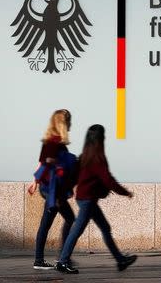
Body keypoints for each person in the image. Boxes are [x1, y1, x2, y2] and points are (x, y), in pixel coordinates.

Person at [56, 124, 137, 274]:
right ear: (100, 139)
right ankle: (63, 261)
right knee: (77, 230)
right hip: (87, 201)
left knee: (105, 228)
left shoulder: (85, 156)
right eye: (104, 136)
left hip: (86, 199)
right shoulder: (97, 158)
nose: (105, 138)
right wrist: (125, 192)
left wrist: (62, 193)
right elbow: (108, 180)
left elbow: (75, 178)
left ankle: (120, 260)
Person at [27, 109, 77, 270]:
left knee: (46, 223)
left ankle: (40, 260)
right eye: (69, 121)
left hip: (49, 189)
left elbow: (41, 163)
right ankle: (62, 257)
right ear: (64, 123)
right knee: (70, 219)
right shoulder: (55, 142)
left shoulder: (49, 141)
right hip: (53, 191)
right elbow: (47, 163)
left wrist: (35, 181)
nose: (71, 124)